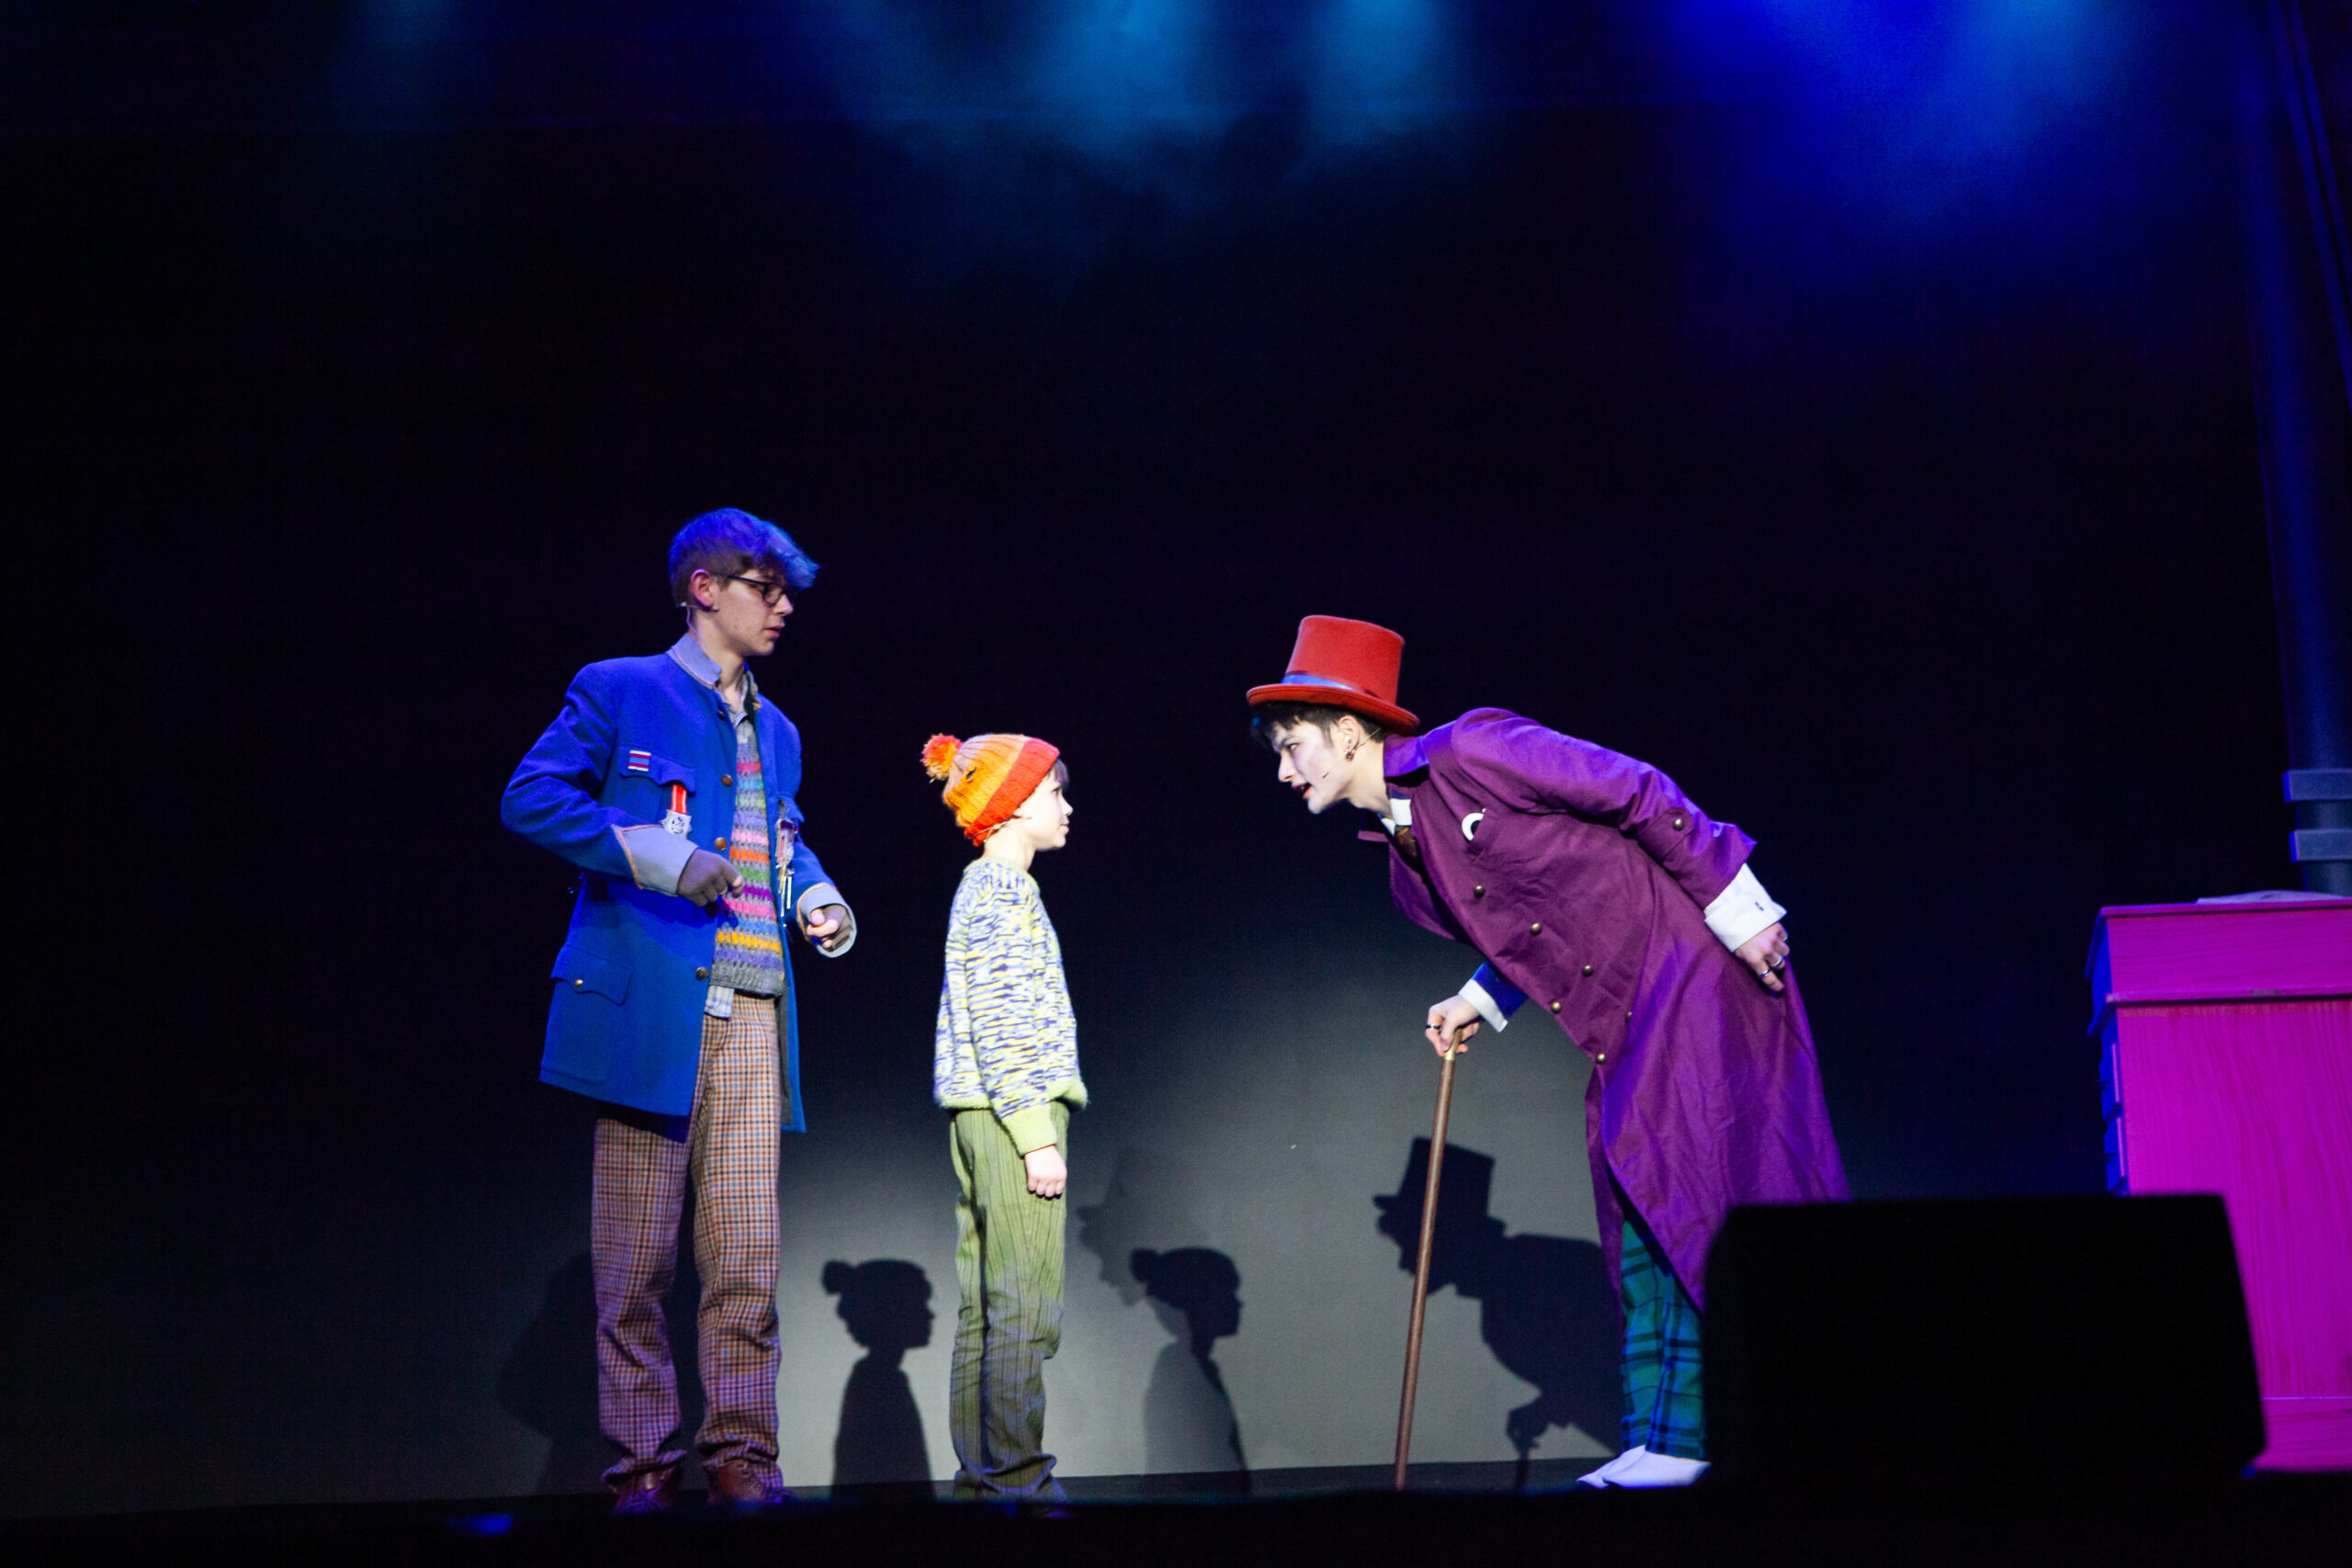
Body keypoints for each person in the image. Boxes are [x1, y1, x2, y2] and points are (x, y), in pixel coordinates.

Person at [1248, 615, 1848, 1488]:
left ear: (1346, 731)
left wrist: (1739, 905)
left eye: (1292, 745)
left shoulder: (1473, 751)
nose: (1283, 769)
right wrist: (1479, 996)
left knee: (1690, 1181)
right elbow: (1537, 921)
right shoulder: (1405, 856)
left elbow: (1635, 790)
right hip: (1622, 1015)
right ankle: (1660, 1433)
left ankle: (1704, 1438)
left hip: (1685, 966)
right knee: (1634, 1186)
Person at [502, 507, 857, 1513]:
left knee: (744, 1261)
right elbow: (532, 796)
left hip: (754, 1011)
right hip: (651, 1015)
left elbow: (780, 836)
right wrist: (660, 856)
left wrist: (816, 895)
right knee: (635, 1265)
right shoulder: (620, 687)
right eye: (765, 588)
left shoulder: (779, 729)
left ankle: (743, 1460)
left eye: (786, 593)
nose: (783, 608)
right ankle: (643, 1470)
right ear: (704, 588)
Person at [922, 731, 1086, 1505]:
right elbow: (1003, 1021)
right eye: (1055, 792)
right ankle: (1019, 1487)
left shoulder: (989, 888)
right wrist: (1034, 1135)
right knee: (1022, 1303)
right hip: (1009, 1113)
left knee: (988, 1307)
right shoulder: (1000, 890)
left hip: (984, 1113)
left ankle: (985, 1485)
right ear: (1015, 802)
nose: (1068, 806)